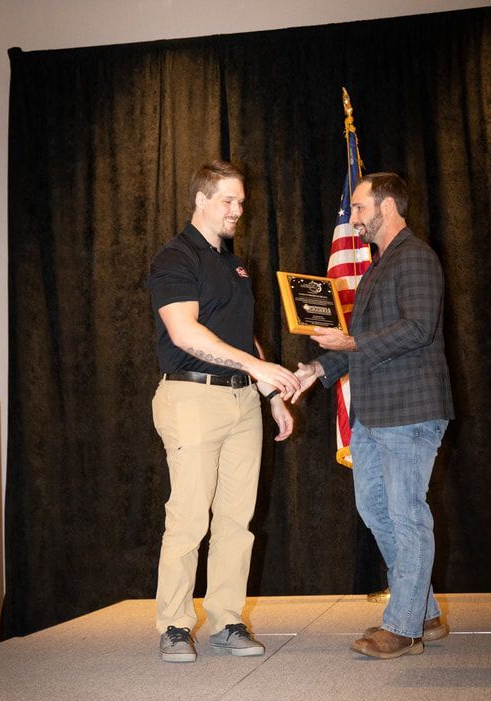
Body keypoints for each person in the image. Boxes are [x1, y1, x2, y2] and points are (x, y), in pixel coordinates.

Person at [292, 172, 454, 659]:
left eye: (360, 208)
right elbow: (356, 347)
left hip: (409, 409)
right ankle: (423, 611)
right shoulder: (377, 267)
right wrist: (317, 369)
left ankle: (404, 628)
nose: (354, 218)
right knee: (377, 511)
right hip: (373, 413)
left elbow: (419, 328)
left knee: (407, 516)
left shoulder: (416, 256)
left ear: (387, 207)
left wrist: (352, 342)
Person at [148, 160, 300, 662]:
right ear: (201, 199)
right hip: (192, 397)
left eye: (241, 202)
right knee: (189, 517)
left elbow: (240, 336)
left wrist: (270, 394)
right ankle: (175, 625)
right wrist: (258, 367)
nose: (238, 209)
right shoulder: (175, 257)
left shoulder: (235, 264)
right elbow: (185, 333)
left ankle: (227, 620)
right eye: (228, 200)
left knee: (237, 520)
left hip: (242, 401)